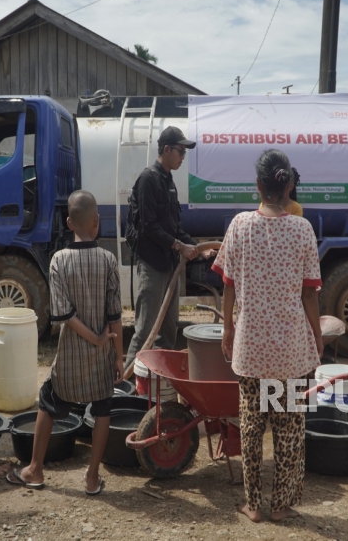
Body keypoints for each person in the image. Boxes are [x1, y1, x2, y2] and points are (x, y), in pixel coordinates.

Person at [213, 149, 323, 522]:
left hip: (251, 347)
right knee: (289, 429)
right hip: (290, 350)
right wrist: (317, 337)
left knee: (251, 426)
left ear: (258, 185)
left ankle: (253, 505)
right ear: (288, 185)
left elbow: (228, 285)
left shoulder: (239, 225)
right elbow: (310, 293)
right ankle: (280, 506)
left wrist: (228, 328)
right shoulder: (303, 229)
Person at [7, 190, 123, 495]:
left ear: (69, 223)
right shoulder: (109, 260)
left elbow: (63, 314)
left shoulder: (58, 260)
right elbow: (115, 315)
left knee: (47, 404)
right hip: (101, 357)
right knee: (103, 409)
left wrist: (93, 338)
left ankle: (35, 470)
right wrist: (117, 354)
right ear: (97, 221)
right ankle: (92, 477)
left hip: (69, 357)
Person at [125, 126, 207, 368]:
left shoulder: (168, 182)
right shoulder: (148, 179)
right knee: (145, 331)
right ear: (167, 149)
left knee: (169, 330)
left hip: (169, 266)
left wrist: (199, 248)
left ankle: (159, 378)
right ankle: (128, 382)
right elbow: (148, 226)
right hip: (152, 265)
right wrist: (180, 247)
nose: (183, 157)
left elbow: (174, 228)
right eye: (181, 151)